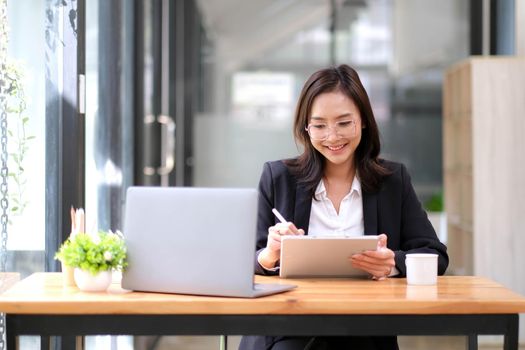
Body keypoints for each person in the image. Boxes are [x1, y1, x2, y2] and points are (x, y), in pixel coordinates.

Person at [239, 64, 449, 350]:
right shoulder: (278, 179)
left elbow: (435, 256)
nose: (332, 136)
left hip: (363, 327)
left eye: (343, 122)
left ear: (363, 120)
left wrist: (393, 264)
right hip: (286, 327)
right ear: (306, 127)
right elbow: (242, 263)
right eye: (320, 125)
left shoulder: (393, 182)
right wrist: (269, 254)